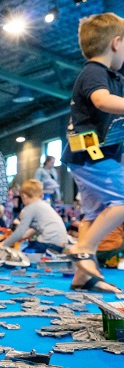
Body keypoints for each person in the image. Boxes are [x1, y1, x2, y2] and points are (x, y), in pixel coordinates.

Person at [61, 12, 124, 293]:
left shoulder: (112, 76)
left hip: (90, 153)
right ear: (116, 43)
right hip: (91, 152)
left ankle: (82, 276)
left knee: (93, 213)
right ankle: (83, 248)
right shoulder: (94, 72)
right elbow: (101, 101)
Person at [0, 180, 67, 253]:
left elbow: (20, 232)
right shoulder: (44, 205)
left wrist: (3, 244)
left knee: (23, 254)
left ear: (24, 196)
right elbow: (35, 229)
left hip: (48, 242)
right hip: (60, 242)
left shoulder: (29, 208)